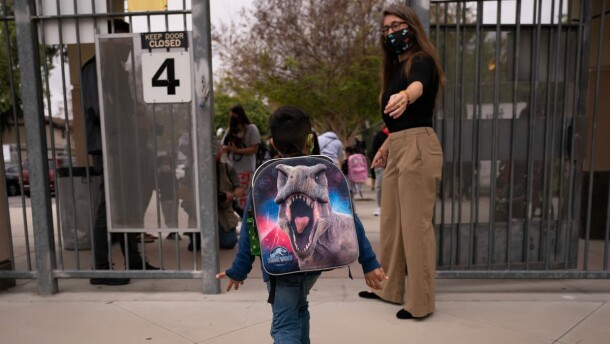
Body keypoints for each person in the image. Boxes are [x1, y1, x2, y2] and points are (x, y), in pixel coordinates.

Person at [216, 106, 387, 343]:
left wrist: (240, 268)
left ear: (273, 144)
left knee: (285, 325)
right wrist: (368, 261)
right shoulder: (325, 169)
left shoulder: (264, 177)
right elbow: (351, 220)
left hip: (279, 268)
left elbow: (250, 226)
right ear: (310, 139)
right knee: (300, 308)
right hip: (311, 269)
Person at [359, 4, 445, 320]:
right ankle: (390, 288)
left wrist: (406, 96)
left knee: (415, 227)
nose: (391, 33)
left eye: (397, 26)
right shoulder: (395, 67)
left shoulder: (421, 61)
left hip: (419, 148)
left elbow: (418, 87)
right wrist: (387, 147)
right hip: (400, 145)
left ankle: (421, 301)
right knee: (392, 224)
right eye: (386, 29)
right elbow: (397, 123)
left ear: (411, 26)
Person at [81, 20, 158, 286]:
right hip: (109, 148)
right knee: (110, 208)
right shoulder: (95, 69)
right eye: (123, 41)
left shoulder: (115, 69)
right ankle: (101, 268)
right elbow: (99, 110)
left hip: (124, 147)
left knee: (127, 208)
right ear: (109, 41)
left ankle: (134, 262)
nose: (127, 45)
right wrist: (133, 119)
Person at [186, 139, 243, 251]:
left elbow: (240, 189)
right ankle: (201, 234)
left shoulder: (227, 167)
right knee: (195, 247)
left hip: (222, 210)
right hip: (200, 212)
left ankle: (217, 233)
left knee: (229, 243)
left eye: (217, 149)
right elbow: (183, 190)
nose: (215, 153)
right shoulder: (194, 169)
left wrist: (231, 195)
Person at [221, 105, 260, 213]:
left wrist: (236, 150)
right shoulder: (230, 131)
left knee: (243, 200)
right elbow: (222, 147)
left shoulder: (251, 129)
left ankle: (247, 224)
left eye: (235, 117)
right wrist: (228, 148)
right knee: (232, 199)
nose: (233, 120)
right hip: (232, 169)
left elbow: (254, 149)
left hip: (246, 170)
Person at [370, 123, 389, 216]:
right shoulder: (379, 136)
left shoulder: (397, 134)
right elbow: (373, 150)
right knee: (380, 185)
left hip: (393, 164)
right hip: (381, 165)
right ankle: (379, 206)